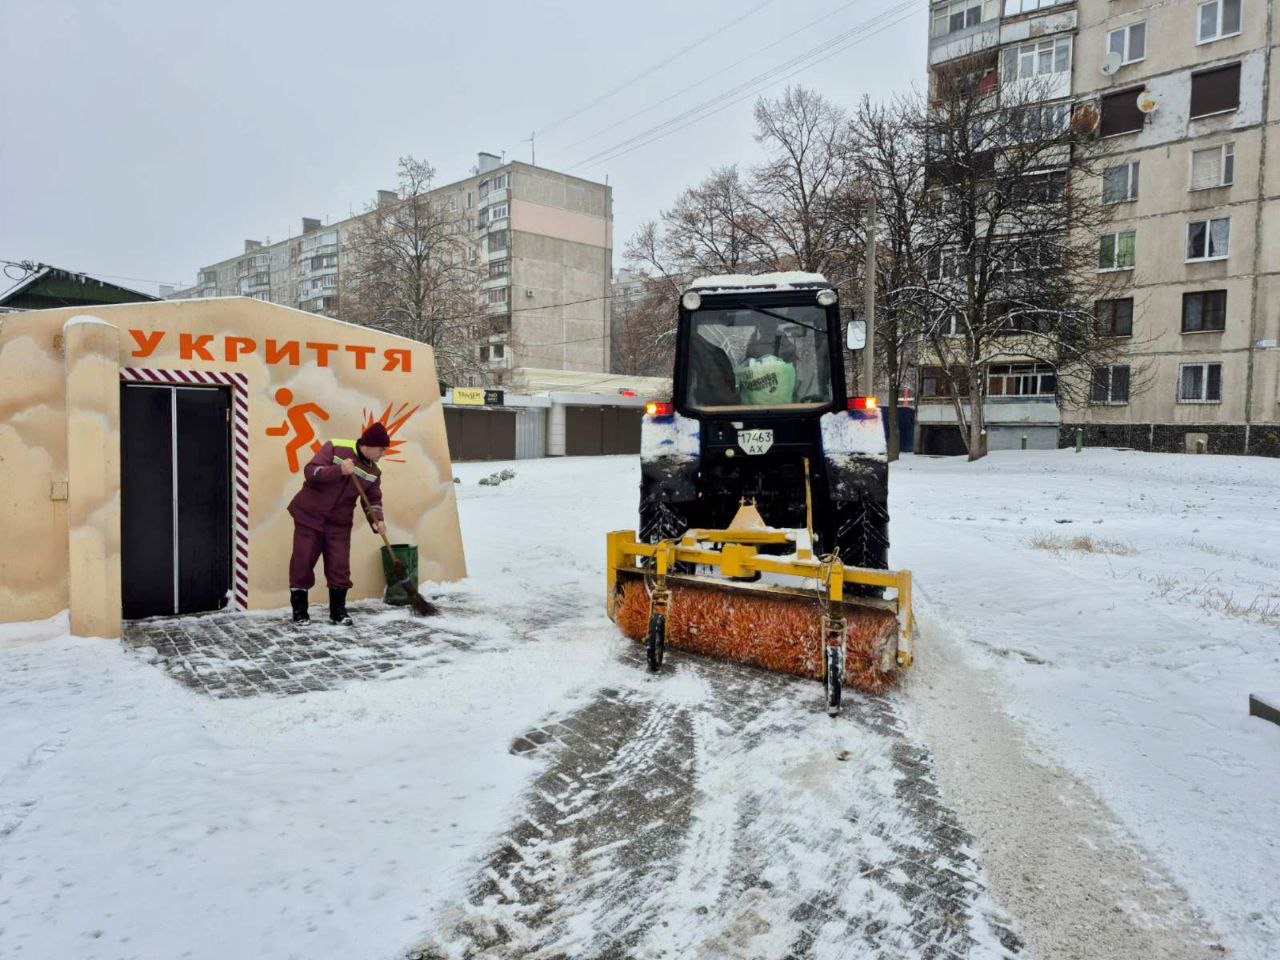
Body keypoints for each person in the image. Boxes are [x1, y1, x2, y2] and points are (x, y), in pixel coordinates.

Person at [287, 422, 390, 625]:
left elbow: (373, 500)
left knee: (339, 566)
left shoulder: (374, 473)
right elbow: (311, 472)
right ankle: (300, 612)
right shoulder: (335, 447)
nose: (383, 454)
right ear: (368, 445)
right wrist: (338, 470)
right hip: (310, 516)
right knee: (303, 562)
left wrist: (377, 521)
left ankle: (338, 612)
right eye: (381, 449)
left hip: (339, 524)